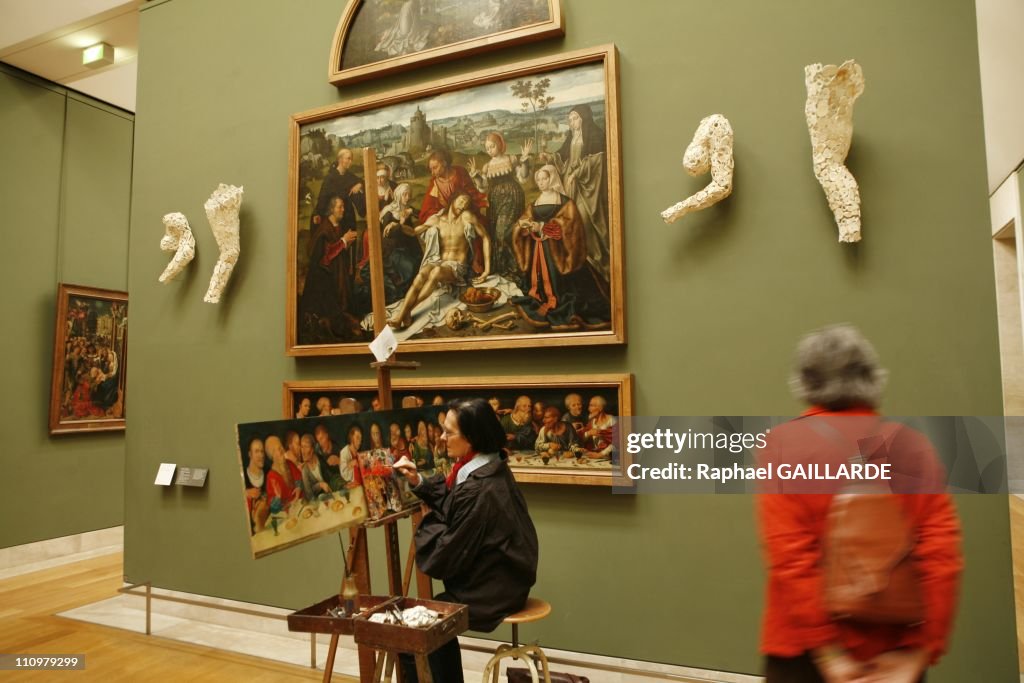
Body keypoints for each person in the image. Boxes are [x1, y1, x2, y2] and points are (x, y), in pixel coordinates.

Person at [757, 324, 962, 683]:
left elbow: (790, 559)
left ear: (805, 381)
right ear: (872, 379)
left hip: (805, 655)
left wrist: (830, 651)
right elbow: (942, 556)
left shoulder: (782, 445)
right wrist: (919, 649)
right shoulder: (914, 446)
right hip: (895, 653)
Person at [394, 398, 539, 683]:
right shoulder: (489, 465)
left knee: (412, 630)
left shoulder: (480, 486)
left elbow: (444, 556)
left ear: (471, 438)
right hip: (506, 577)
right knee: (428, 620)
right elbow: (455, 506)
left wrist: (425, 522)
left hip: (493, 589)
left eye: (449, 432)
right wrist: (419, 483)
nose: (442, 437)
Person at [511, 165, 611, 331]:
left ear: (552, 179)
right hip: (539, 248)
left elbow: (570, 227)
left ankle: (556, 300)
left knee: (561, 283)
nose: (541, 182)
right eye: (538, 180)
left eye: (544, 178)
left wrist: (543, 226)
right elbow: (525, 219)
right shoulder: (535, 202)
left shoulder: (565, 202)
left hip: (558, 252)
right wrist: (524, 225)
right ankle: (542, 297)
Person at [388, 192, 492, 330]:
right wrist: (399, 226)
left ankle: (404, 313)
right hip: (440, 262)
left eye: (467, 203)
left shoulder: (466, 217)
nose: (463, 205)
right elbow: (413, 232)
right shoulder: (437, 220)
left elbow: (485, 237)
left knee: (436, 272)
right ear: (453, 200)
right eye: (461, 200)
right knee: (421, 275)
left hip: (457, 268)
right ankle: (404, 314)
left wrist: (487, 270)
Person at [537, 104, 610, 280]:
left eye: (575, 118)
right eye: (569, 119)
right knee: (570, 220)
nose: (571, 122)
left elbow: (598, 161)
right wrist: (549, 156)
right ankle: (577, 264)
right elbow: (562, 156)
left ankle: (595, 263)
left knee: (584, 221)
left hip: (588, 187)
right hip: (571, 185)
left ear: (584, 118)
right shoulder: (572, 136)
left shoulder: (596, 135)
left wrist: (577, 173)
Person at [298, 196, 361, 343]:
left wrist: (346, 244)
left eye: (343, 207)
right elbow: (325, 256)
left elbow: (338, 251)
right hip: (322, 278)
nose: (343, 210)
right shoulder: (324, 230)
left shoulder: (338, 227)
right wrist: (344, 241)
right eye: (340, 207)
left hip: (337, 274)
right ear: (332, 209)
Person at [468, 132, 529, 281]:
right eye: (487, 148)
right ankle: (501, 268)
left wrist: (525, 160)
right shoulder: (487, 166)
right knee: (496, 234)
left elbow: (523, 177)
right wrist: (475, 175)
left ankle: (513, 269)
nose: (489, 150)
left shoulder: (511, 159)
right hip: (495, 201)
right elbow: (483, 187)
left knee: (504, 232)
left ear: (500, 145)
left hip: (512, 197)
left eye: (492, 146)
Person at [378, 183, 424, 304]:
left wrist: (411, 210)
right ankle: (404, 296)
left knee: (421, 262)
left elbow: (423, 215)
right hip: (393, 249)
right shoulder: (389, 211)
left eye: (409, 194)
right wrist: (399, 224)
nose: (407, 197)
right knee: (411, 265)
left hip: (408, 245)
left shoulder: (407, 208)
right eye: (404, 194)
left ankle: (413, 295)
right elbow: (388, 234)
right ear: (398, 195)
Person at [264, 436, 303, 513]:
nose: (282, 450)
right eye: (278, 449)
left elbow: (299, 478)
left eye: (281, 447)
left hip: (300, 504)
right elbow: (273, 509)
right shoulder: (271, 477)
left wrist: (299, 487)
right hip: (287, 513)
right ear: (273, 455)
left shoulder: (289, 463)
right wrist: (278, 498)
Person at [244, 437, 269, 532]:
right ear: (250, 454)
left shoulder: (268, 473)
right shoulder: (244, 478)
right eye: (257, 451)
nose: (261, 455)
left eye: (262, 451)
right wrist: (244, 493)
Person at [299, 433, 333, 501]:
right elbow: (310, 495)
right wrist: (320, 485)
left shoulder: (320, 459)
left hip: (331, 495)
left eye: (306, 447)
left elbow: (331, 477)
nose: (303, 451)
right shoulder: (305, 470)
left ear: (312, 449)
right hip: (318, 503)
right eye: (302, 447)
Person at [580, 395, 616, 460]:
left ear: (600, 408)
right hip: (594, 457)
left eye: (591, 406)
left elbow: (617, 442)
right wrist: (588, 433)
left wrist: (600, 454)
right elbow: (581, 440)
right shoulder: (592, 422)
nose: (589, 409)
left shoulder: (611, 420)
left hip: (609, 458)